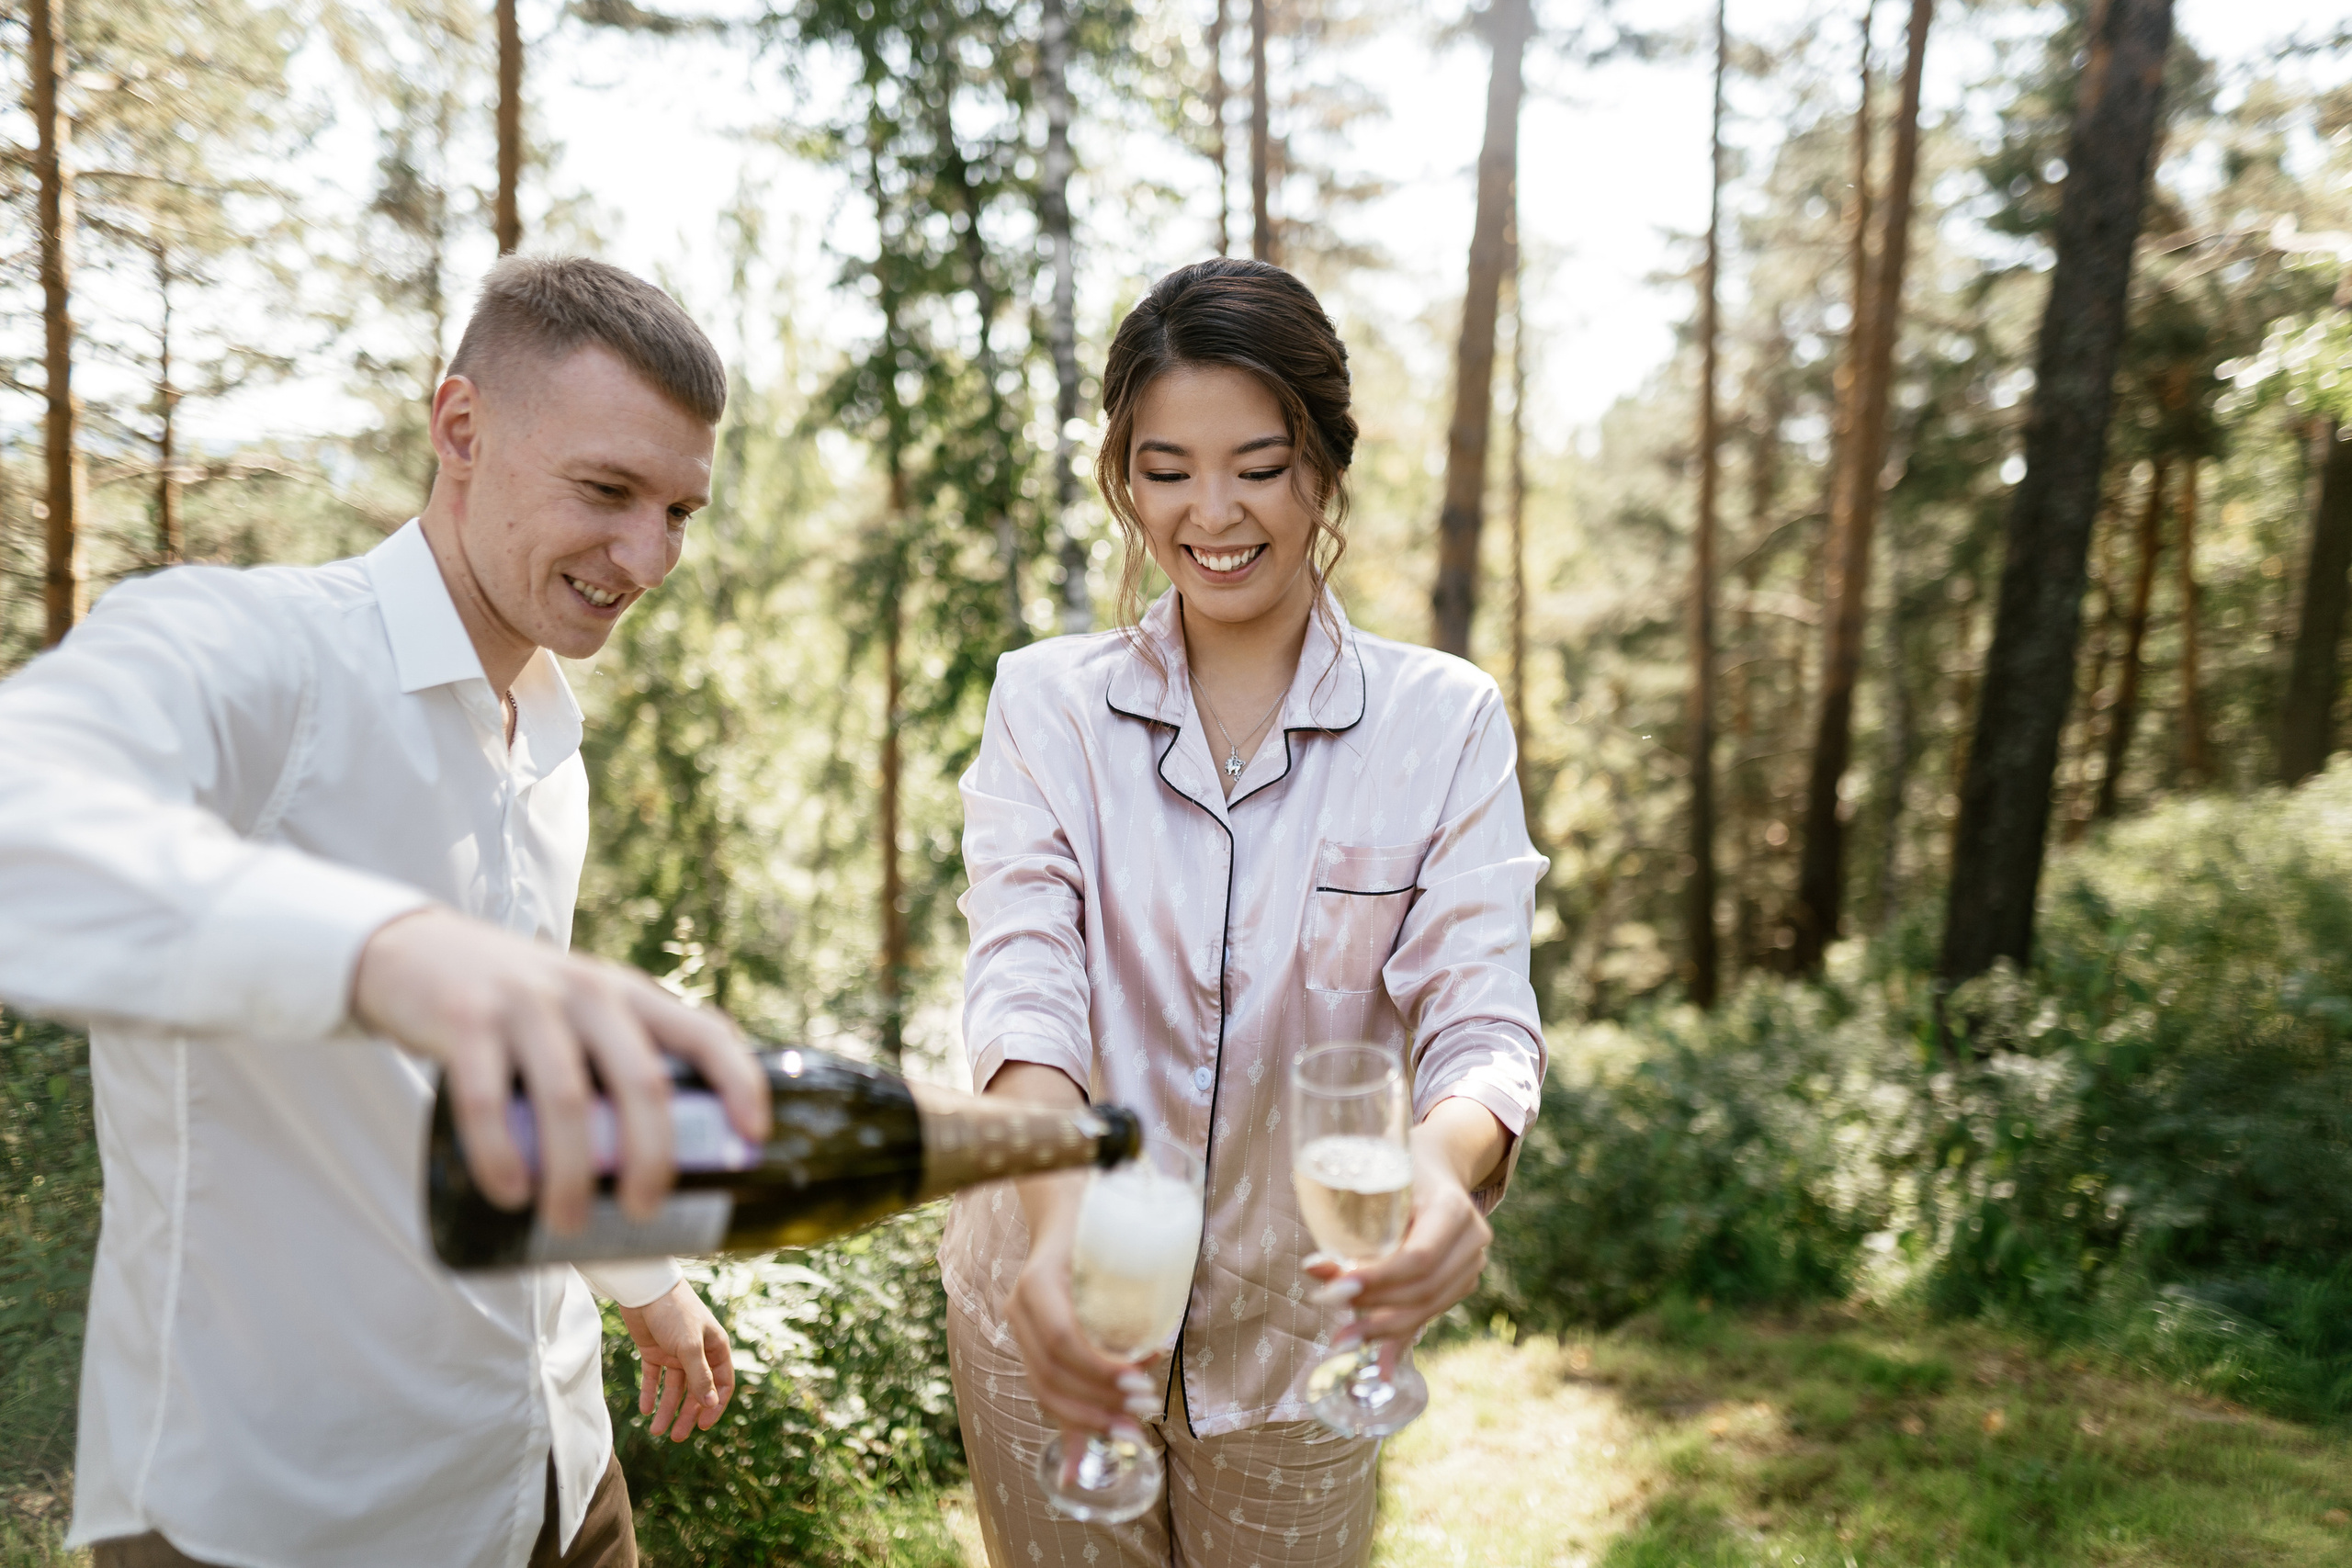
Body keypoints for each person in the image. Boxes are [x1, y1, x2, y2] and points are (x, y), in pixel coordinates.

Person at [0, 255, 775, 1568]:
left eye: (679, 512)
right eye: (606, 491)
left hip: (555, 1474)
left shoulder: (547, 744)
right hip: (282, 1515)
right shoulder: (265, 652)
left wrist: (644, 1281)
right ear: (460, 429)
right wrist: (382, 955)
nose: (648, 558)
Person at [939, 256, 1548, 1567]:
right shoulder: (1045, 705)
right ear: (1123, 477)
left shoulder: (1443, 724)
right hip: (1044, 1310)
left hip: (1297, 1353)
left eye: (1258, 466)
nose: (1211, 512)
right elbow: (1023, 987)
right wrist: (1052, 1242)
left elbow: (1482, 1015)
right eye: (1165, 469)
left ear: (1324, 469)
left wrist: (1447, 1175)